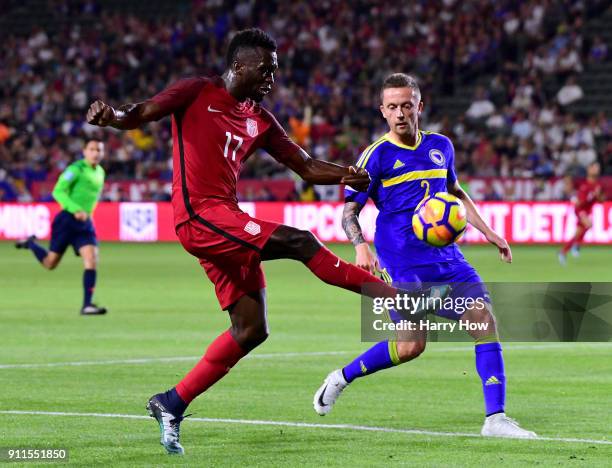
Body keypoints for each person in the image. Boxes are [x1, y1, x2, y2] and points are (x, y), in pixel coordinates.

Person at [86, 29, 442, 455]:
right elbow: (141, 112)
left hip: (226, 221)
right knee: (301, 242)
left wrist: (347, 173)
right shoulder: (198, 91)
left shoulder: (260, 118)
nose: (272, 77)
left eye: (275, 69)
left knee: (251, 329)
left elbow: (306, 167)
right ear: (240, 65)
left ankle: (171, 402)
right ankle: (395, 299)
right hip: (199, 215)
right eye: (266, 69)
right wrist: (114, 118)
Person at [313, 73, 537, 439]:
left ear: (420, 105)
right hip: (402, 262)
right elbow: (349, 211)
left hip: (447, 257)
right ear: (382, 111)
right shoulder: (375, 156)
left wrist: (489, 231)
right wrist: (360, 245)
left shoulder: (441, 146)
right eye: (392, 107)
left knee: (483, 318)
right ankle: (340, 378)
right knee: (411, 345)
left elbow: (456, 192)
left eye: (406, 105)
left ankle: (495, 419)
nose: (400, 113)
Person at [15, 140, 107, 315]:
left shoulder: (101, 172)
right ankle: (31, 244)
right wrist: (75, 209)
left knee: (91, 259)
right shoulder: (75, 169)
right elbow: (58, 191)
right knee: (50, 263)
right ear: (84, 151)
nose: (96, 153)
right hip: (67, 221)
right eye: (92, 149)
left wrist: (89, 218)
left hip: (85, 224)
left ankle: (87, 305)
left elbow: (91, 199)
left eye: (99, 150)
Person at [559, 161, 604, 265]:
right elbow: (579, 202)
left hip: (587, 211)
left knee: (579, 232)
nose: (597, 169)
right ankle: (576, 246)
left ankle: (563, 251)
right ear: (589, 169)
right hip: (580, 210)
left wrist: (598, 196)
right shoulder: (584, 183)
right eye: (595, 167)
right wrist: (590, 196)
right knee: (589, 224)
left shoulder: (598, 185)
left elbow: (601, 201)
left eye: (598, 168)